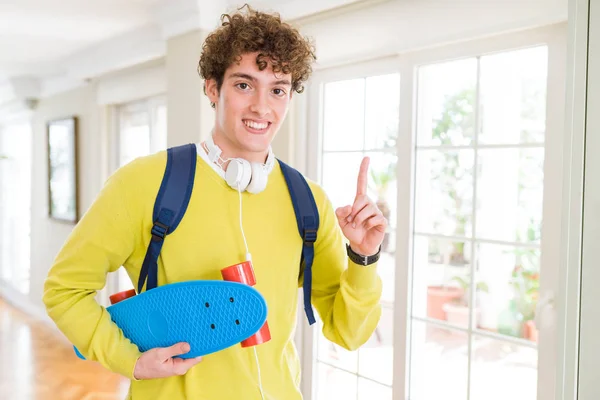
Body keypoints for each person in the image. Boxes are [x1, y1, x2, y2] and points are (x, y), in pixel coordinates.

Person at [43, 5, 385, 400]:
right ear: (212, 88)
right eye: (244, 85)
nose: (262, 106)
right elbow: (64, 289)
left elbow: (348, 333)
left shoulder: (308, 200)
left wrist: (363, 257)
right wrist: (128, 360)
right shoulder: (144, 183)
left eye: (277, 89)